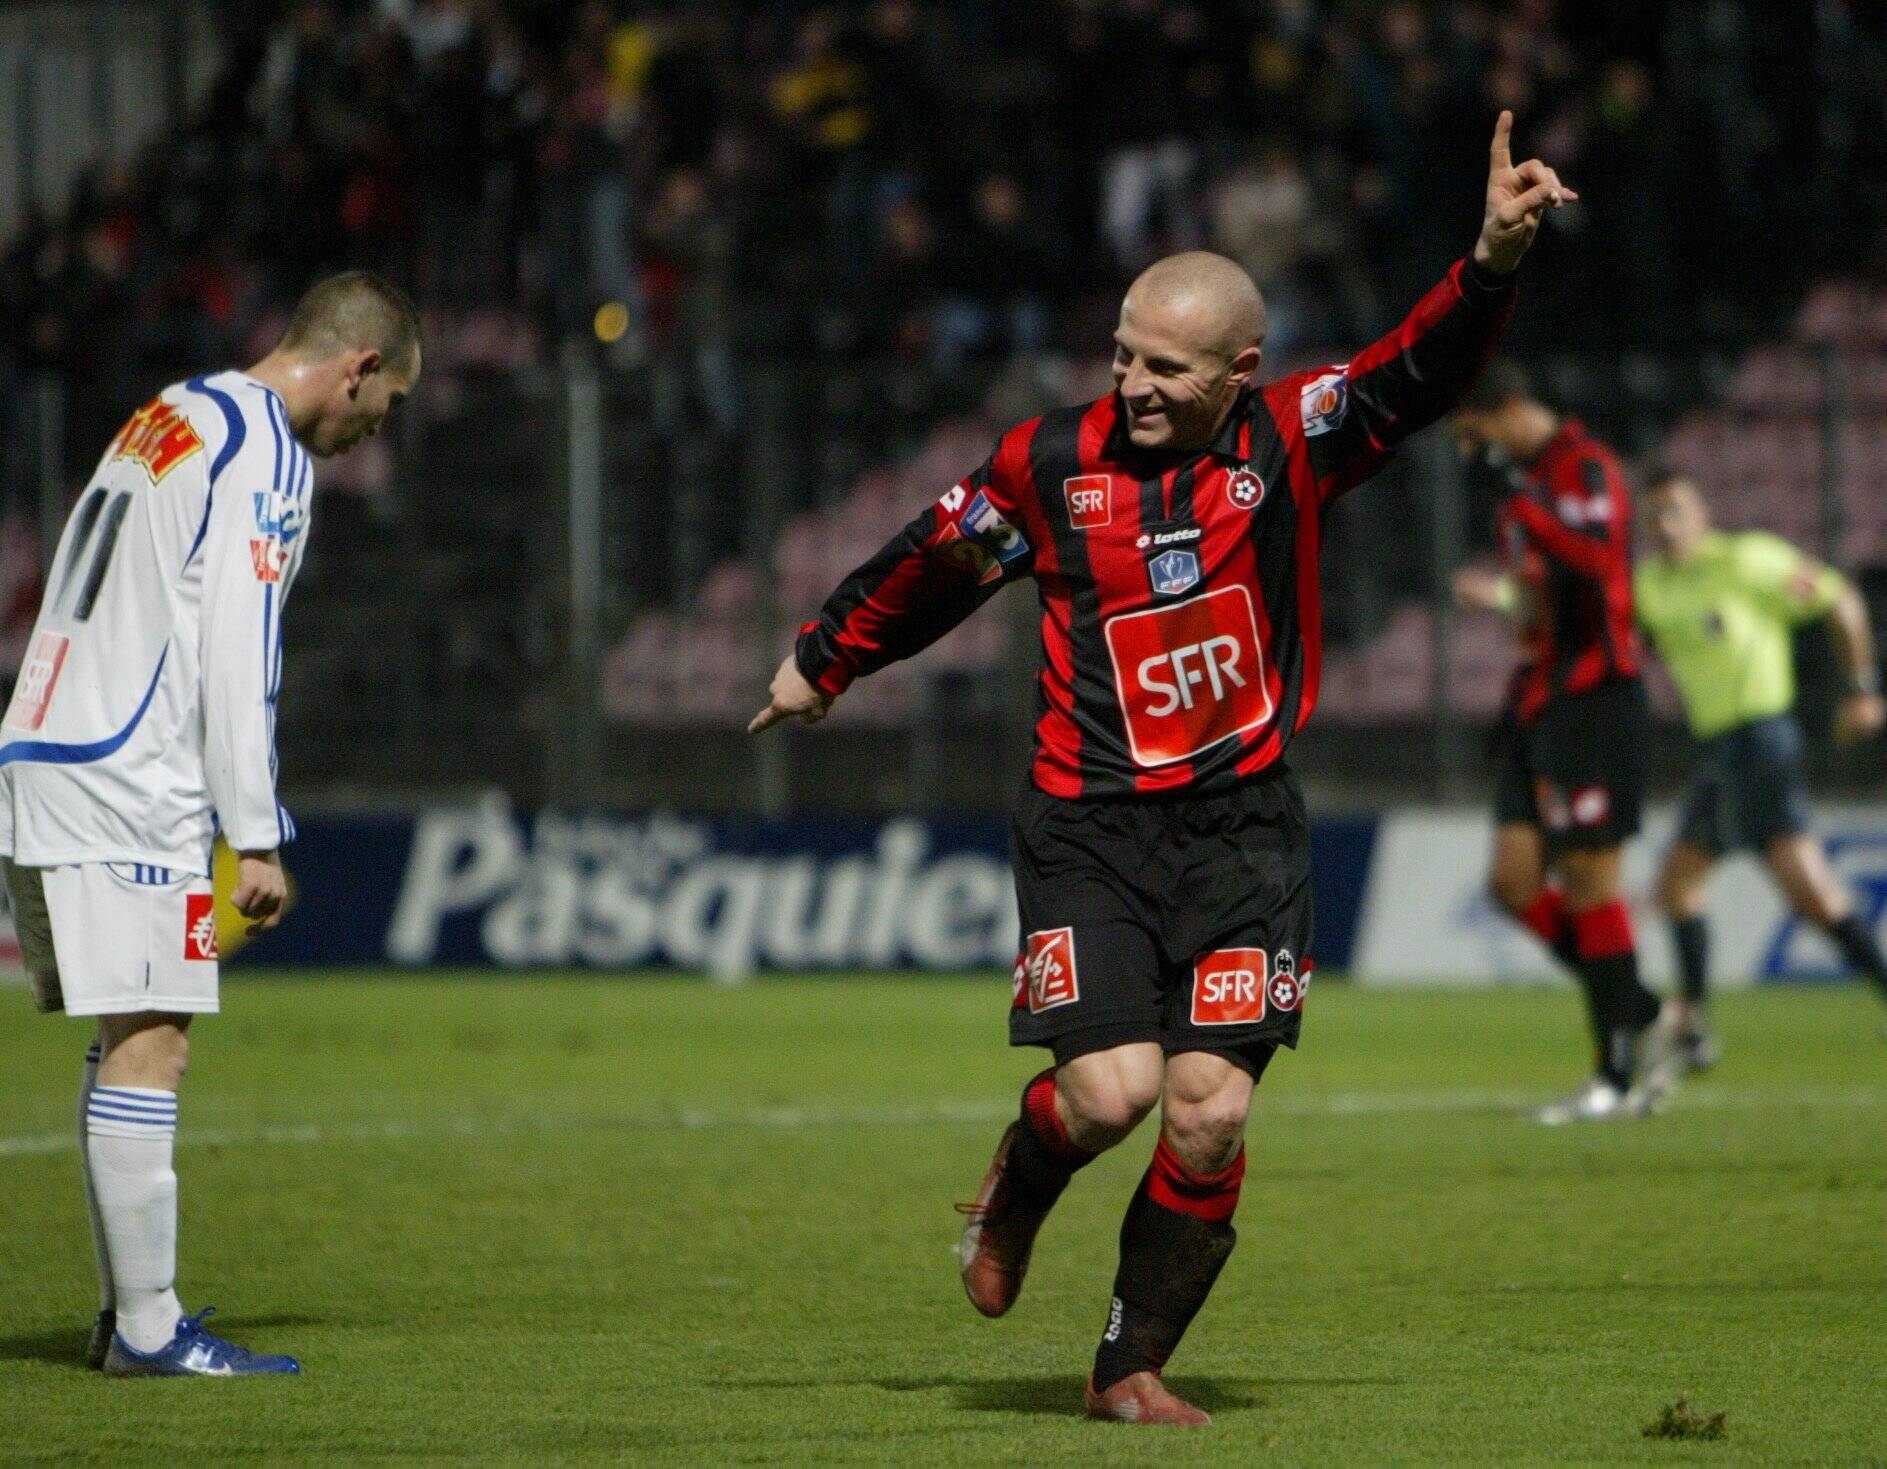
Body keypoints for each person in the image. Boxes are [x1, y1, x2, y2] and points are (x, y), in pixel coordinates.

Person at [752, 114, 1564, 1425]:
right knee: (1110, 1091)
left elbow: (1415, 374)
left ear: (1238, 372)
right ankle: (1017, 1185)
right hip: (1086, 828)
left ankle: (1127, 1364)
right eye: (1122, 354)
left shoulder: (1290, 437)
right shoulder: (1046, 461)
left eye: (1165, 368)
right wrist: (822, 658)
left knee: (1202, 1114)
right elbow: (934, 558)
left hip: (1242, 835)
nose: (1130, 384)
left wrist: (1487, 261)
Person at [0, 270, 421, 1377]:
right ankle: (149, 1329)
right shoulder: (269, 450)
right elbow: (239, 645)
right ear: (358, 365)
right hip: (125, 770)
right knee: (156, 1041)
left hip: (44, 742)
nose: (377, 430)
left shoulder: (177, 409)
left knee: (126, 1034)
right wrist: (258, 829)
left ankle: (125, 1312)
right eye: (388, 403)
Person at [1450, 359, 1669, 1125]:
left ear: (1507, 410)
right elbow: (1543, 598)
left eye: (1472, 435)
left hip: (1595, 700)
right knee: (1512, 882)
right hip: (1537, 700)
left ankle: (1615, 1072)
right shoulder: (1522, 495)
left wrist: (1529, 511)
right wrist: (1507, 600)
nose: (1469, 454)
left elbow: (1600, 561)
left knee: (1588, 878)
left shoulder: (1581, 467)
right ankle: (1636, 1002)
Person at [1635, 469, 1887, 1063]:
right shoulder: (1650, 585)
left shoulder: (1746, 561)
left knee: (1803, 892)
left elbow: (1840, 600)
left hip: (1762, 741)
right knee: (1682, 888)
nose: (1666, 525)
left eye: (1676, 509)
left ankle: (1694, 1029)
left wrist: (1861, 689)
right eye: (1654, 517)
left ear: (1702, 512)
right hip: (1718, 750)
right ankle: (1694, 1030)